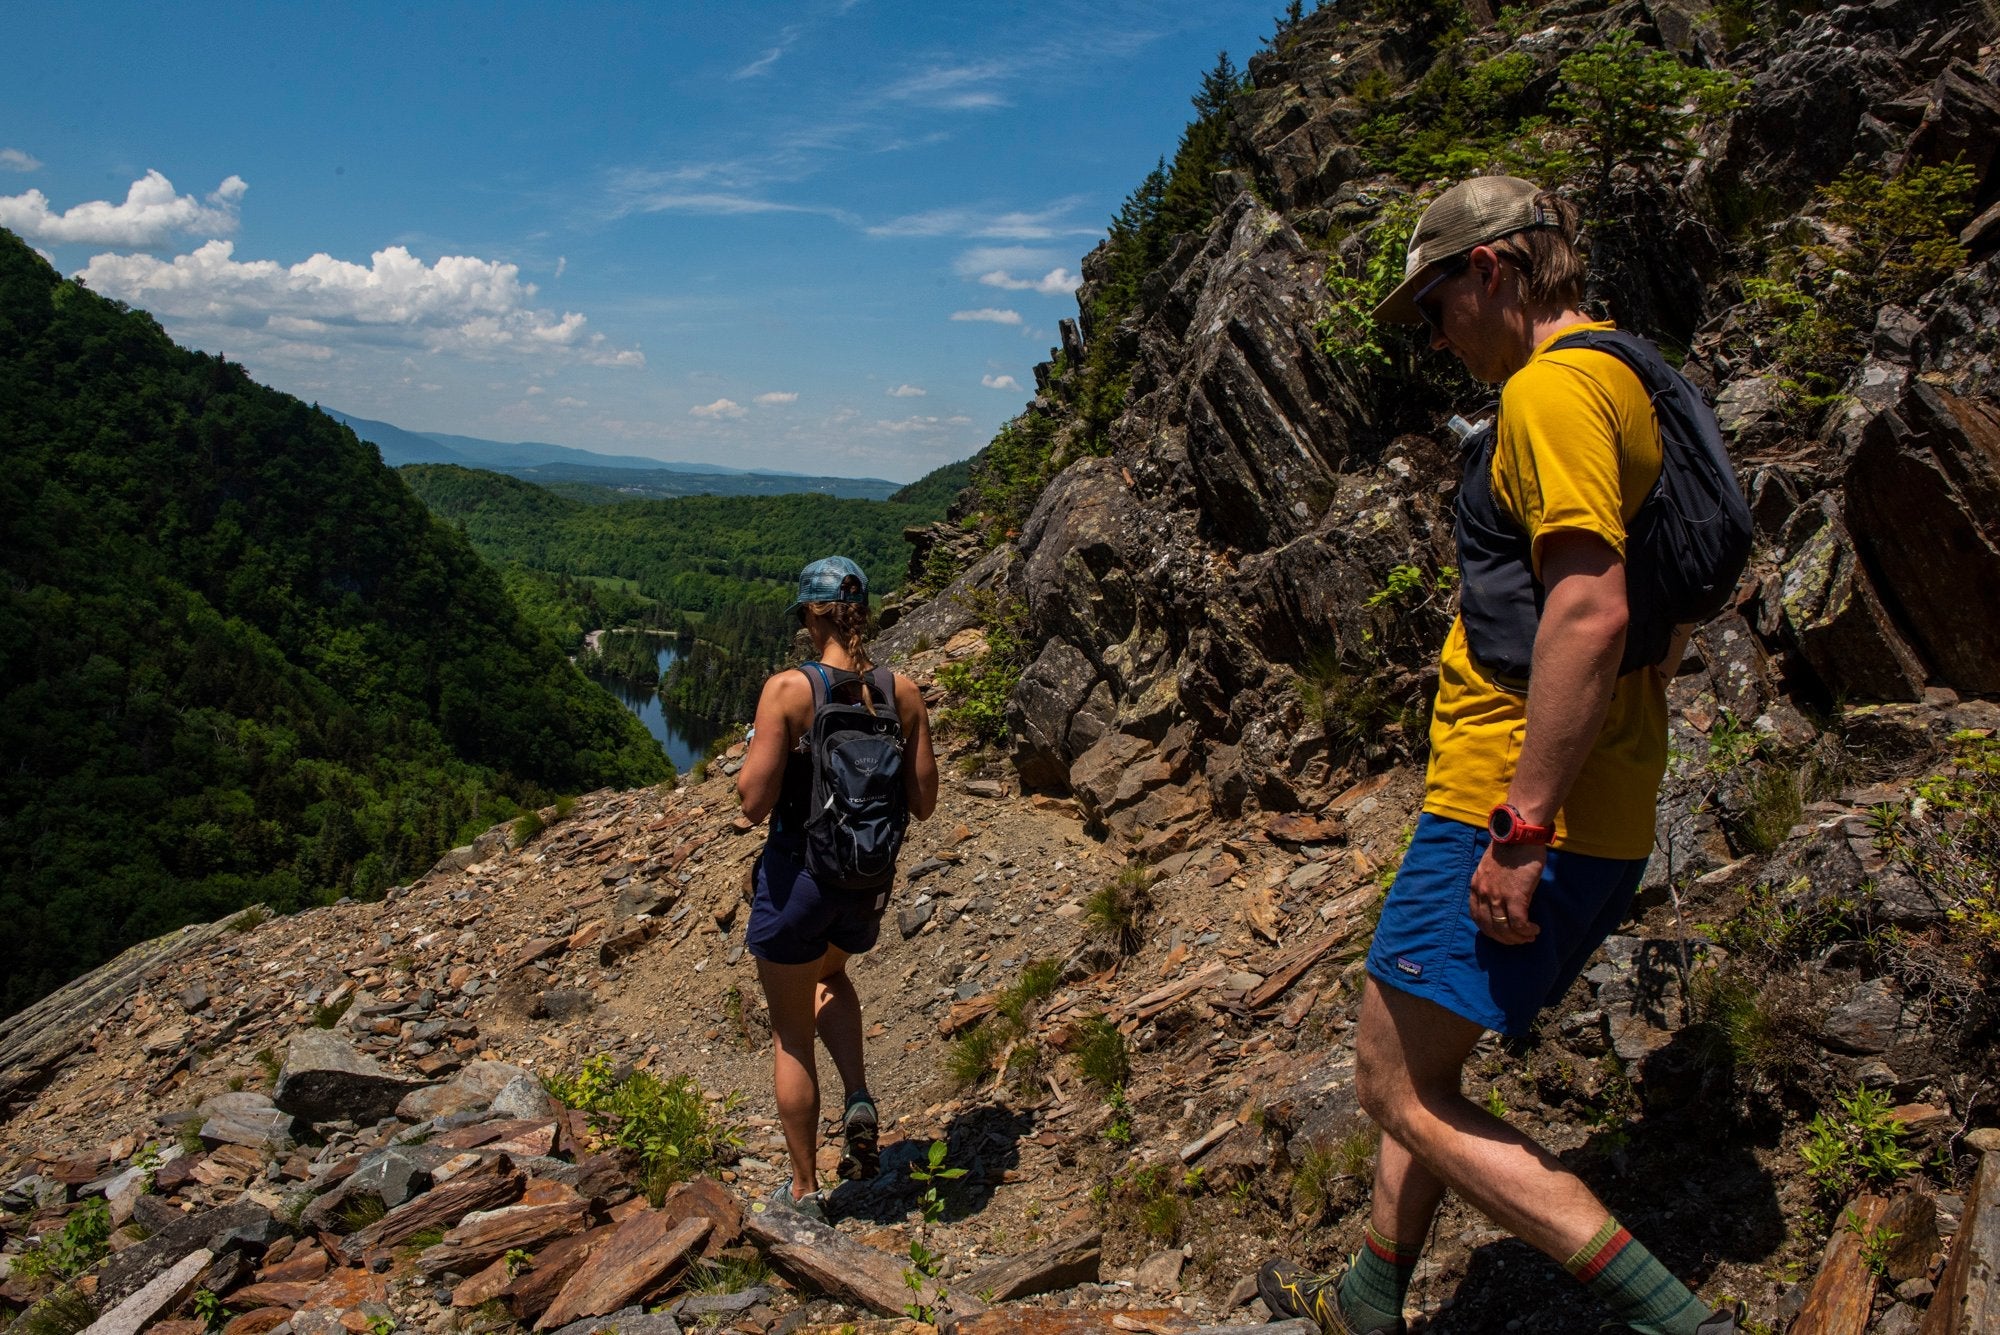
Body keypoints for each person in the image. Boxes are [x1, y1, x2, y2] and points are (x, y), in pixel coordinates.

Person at [1258, 177, 1738, 1334]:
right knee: (1429, 1072)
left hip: (1512, 805)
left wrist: (1518, 826)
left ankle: (1685, 1327)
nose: (1430, 338)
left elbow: (1589, 614)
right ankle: (1370, 1297)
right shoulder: (1634, 375)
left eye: (1430, 308)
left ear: (1491, 270)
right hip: (1604, 800)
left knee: (1387, 1085)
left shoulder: (1550, 393)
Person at [737, 556, 938, 1220]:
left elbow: (754, 802)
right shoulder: (901, 690)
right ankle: (857, 1092)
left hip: (799, 879)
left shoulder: (789, 690)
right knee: (832, 977)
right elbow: (925, 799)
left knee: (791, 1032)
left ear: (810, 615)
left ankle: (801, 1190)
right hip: (864, 884)